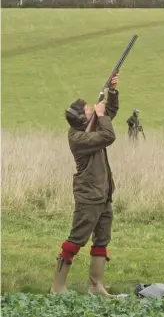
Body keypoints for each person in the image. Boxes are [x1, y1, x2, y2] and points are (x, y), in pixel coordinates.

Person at [50, 74, 126, 299]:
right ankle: (57, 287)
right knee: (77, 238)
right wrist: (101, 115)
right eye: (88, 111)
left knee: (102, 239)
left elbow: (108, 116)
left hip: (103, 193)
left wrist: (111, 92)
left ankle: (96, 286)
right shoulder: (78, 139)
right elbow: (108, 134)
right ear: (82, 120)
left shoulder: (88, 129)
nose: (92, 111)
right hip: (89, 195)